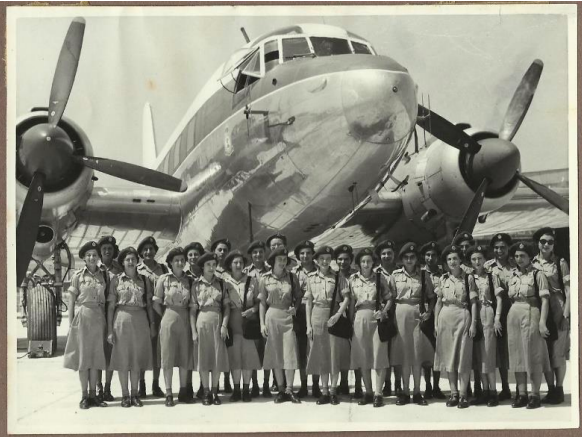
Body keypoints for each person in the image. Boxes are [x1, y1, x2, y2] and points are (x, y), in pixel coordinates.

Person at [107, 247, 156, 408]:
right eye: (127, 259)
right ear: (122, 262)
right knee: (122, 359)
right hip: (121, 320)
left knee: (135, 359)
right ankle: (125, 395)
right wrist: (109, 330)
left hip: (140, 320)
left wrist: (151, 324)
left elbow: (149, 305)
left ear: (137, 261)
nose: (130, 262)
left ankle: (135, 394)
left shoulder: (144, 280)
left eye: (133, 259)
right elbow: (111, 307)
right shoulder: (116, 280)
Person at [63, 241, 109, 409]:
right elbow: (72, 300)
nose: (92, 257)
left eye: (95, 255)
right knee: (83, 359)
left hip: (98, 318)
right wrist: (70, 325)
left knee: (96, 359)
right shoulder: (77, 276)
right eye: (89, 255)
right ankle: (84, 396)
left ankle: (93, 395)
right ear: (84, 257)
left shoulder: (103, 275)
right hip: (83, 317)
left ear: (99, 258)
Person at [389, 242, 435, 406]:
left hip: (417, 315)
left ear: (417, 259)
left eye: (412, 257)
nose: (409, 260)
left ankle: (416, 392)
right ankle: (404, 392)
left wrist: (429, 312)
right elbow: (390, 297)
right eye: (406, 257)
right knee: (404, 355)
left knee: (416, 355)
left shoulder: (423, 275)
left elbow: (432, 296)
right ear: (402, 259)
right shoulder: (395, 276)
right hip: (400, 314)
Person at [507, 242, 551, 409]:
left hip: (531, 312)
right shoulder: (513, 275)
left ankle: (535, 394)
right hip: (514, 314)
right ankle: (522, 393)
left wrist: (542, 322)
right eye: (517, 256)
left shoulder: (537, 274)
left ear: (529, 257)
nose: (519, 259)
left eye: (522, 256)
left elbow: (545, 300)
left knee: (532, 355)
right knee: (516, 354)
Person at [305, 246, 351, 405]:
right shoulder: (310, 278)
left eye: (327, 258)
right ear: (316, 261)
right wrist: (308, 325)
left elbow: (346, 298)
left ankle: (333, 390)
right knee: (322, 356)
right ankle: (323, 391)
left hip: (333, 317)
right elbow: (308, 302)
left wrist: (338, 315)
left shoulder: (339, 277)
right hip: (317, 317)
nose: (325, 261)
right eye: (321, 258)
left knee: (334, 356)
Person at [434, 244, 477, 409]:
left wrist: (473, 323)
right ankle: (453, 393)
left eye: (455, 258)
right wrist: (437, 323)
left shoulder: (468, 278)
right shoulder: (443, 279)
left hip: (462, 316)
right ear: (446, 262)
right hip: (445, 317)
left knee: (463, 357)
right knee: (449, 358)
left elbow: (473, 303)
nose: (452, 262)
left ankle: (464, 395)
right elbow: (438, 303)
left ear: (461, 260)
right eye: (449, 259)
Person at [349, 248, 393, 408]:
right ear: (359, 263)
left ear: (373, 263)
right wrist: (351, 322)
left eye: (368, 261)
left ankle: (378, 393)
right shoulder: (352, 280)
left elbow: (389, 298)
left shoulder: (379, 278)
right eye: (363, 261)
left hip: (376, 319)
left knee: (379, 355)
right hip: (360, 318)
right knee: (363, 356)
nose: (366, 264)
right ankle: (368, 392)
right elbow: (351, 303)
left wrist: (383, 312)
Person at [258, 247, 303, 404]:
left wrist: (295, 308)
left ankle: (290, 390)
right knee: (276, 354)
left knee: (290, 353)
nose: (283, 262)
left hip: (287, 317)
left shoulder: (292, 277)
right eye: (280, 260)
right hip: (272, 316)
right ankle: (281, 389)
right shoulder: (264, 279)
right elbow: (262, 303)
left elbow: (298, 296)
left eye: (285, 260)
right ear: (273, 261)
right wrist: (262, 323)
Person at [153, 247, 195, 407]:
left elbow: (192, 304)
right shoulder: (164, 279)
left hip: (184, 319)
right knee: (168, 356)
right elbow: (156, 303)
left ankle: (183, 391)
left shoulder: (189, 280)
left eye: (182, 260)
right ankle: (169, 392)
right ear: (170, 262)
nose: (180, 263)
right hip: (168, 318)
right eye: (176, 260)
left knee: (184, 355)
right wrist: (165, 316)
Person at [532, 227, 570, 405]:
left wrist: (566, 315)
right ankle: (550, 389)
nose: (546, 244)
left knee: (558, 353)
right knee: (545, 352)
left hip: (557, 308)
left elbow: (569, 291)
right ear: (537, 243)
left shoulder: (560, 262)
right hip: (540, 310)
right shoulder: (532, 263)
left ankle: (560, 388)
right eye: (543, 241)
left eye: (550, 242)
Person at [190, 252, 232, 406]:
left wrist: (224, 325)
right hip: (202, 322)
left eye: (214, 264)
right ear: (202, 266)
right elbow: (193, 310)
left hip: (217, 321)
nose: (212, 267)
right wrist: (194, 331)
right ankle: (206, 392)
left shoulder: (221, 283)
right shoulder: (196, 285)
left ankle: (215, 391)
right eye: (208, 264)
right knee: (203, 358)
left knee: (216, 358)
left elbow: (227, 307)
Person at [467, 245, 504, 407]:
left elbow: (500, 299)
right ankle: (483, 391)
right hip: (473, 315)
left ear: (485, 259)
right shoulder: (468, 277)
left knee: (488, 353)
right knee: (478, 355)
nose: (477, 262)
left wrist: (497, 318)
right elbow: (470, 300)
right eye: (474, 259)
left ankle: (492, 392)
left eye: (480, 258)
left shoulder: (492, 276)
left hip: (488, 313)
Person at [223, 250, 262, 402]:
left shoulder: (252, 281)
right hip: (233, 321)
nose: (238, 265)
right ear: (230, 265)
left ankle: (246, 389)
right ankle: (236, 390)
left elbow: (260, 301)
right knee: (235, 358)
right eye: (235, 263)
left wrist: (254, 309)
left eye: (241, 262)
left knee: (247, 358)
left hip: (248, 323)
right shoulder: (224, 282)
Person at [484, 233, 515, 402]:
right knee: (500, 350)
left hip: (515, 310)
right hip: (496, 313)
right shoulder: (488, 267)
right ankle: (504, 387)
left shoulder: (514, 264)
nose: (499, 250)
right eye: (496, 247)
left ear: (508, 248)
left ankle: (521, 388)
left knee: (516, 349)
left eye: (503, 247)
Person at [136, 236, 168, 398]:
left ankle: (156, 384)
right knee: (143, 350)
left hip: (159, 313)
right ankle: (141, 384)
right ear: (141, 252)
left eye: (151, 249)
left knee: (157, 351)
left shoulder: (163, 269)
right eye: (145, 249)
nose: (149, 252)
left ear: (156, 251)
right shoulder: (137, 269)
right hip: (142, 313)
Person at [452, 231, 481, 398]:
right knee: (463, 354)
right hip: (462, 314)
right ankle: (465, 387)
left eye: (467, 246)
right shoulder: (456, 269)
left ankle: (478, 386)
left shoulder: (478, 266)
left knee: (478, 354)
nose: (464, 249)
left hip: (477, 312)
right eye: (461, 246)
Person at [243, 240, 272, 398]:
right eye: (255, 252)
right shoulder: (247, 272)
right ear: (251, 255)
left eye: (261, 252)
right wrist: (253, 310)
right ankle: (254, 384)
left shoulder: (271, 270)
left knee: (268, 352)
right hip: (252, 319)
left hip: (270, 316)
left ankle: (266, 384)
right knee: (253, 353)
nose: (258, 255)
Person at [292, 240, 321, 398]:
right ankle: (303, 385)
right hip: (300, 314)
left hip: (315, 312)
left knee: (314, 350)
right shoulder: (294, 273)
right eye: (302, 253)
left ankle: (315, 385)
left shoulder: (320, 271)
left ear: (313, 254)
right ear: (298, 256)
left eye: (308, 253)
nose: (305, 256)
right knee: (301, 351)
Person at [374, 240, 401, 397]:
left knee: (396, 350)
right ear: (379, 256)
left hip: (399, 314)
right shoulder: (376, 273)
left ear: (394, 254)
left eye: (389, 253)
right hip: (383, 315)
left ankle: (398, 384)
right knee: (384, 350)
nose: (386, 256)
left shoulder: (399, 271)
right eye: (383, 253)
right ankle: (387, 383)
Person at [419, 241, 446, 400]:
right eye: (428, 255)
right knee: (426, 353)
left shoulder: (444, 274)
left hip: (442, 316)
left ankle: (436, 386)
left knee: (438, 353)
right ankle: (428, 385)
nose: (430, 258)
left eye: (433, 255)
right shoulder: (421, 274)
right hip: (426, 317)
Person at [96, 236, 122, 402]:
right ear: (100, 251)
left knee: (110, 352)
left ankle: (107, 386)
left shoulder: (119, 270)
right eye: (104, 248)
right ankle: (98, 388)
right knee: (98, 352)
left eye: (110, 249)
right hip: (98, 313)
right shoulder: (94, 268)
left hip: (113, 312)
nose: (107, 251)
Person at [334, 244, 360, 397]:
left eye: (346, 259)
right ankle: (343, 383)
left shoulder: (357, 276)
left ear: (351, 260)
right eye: (340, 259)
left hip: (357, 317)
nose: (343, 262)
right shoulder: (334, 276)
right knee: (342, 353)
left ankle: (357, 385)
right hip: (342, 318)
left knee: (357, 351)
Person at [210, 238, 233, 393]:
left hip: (229, 312)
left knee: (227, 349)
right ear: (214, 252)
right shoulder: (210, 270)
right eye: (220, 249)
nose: (222, 252)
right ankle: (214, 383)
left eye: (225, 250)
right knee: (214, 350)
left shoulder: (231, 271)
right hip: (215, 313)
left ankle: (226, 380)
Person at [184, 241, 205, 399]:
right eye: (190, 255)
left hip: (203, 318)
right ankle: (188, 385)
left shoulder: (207, 275)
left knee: (204, 352)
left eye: (196, 254)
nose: (193, 257)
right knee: (188, 354)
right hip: (186, 318)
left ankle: (204, 386)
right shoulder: (184, 277)